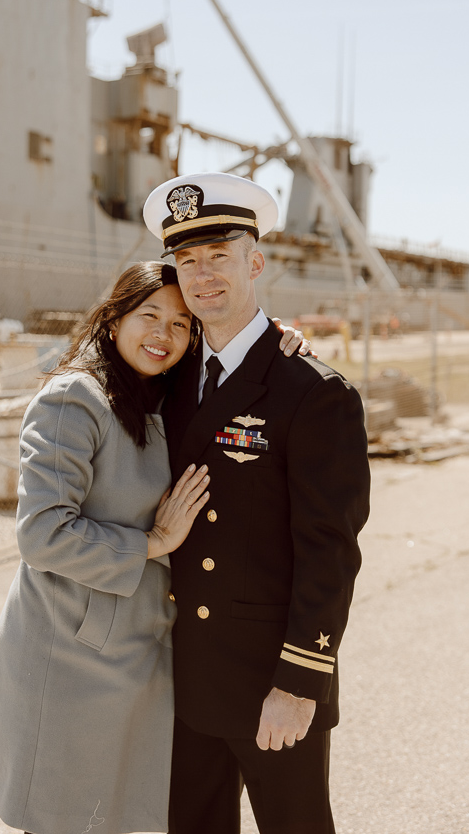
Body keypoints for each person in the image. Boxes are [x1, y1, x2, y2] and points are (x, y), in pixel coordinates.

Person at [0, 260, 308, 834]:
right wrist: (152, 543)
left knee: (114, 814)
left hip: (138, 647)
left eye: (180, 324)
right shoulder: (75, 399)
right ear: (113, 318)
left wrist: (276, 343)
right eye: (149, 315)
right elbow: (41, 533)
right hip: (71, 650)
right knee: (64, 815)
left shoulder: (164, 397)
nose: (163, 335)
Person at [143, 173, 371, 834]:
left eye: (219, 256)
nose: (202, 274)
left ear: (255, 261)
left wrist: (299, 683)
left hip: (271, 678)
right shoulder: (169, 373)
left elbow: (329, 549)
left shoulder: (313, 391)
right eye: (187, 261)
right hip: (187, 679)